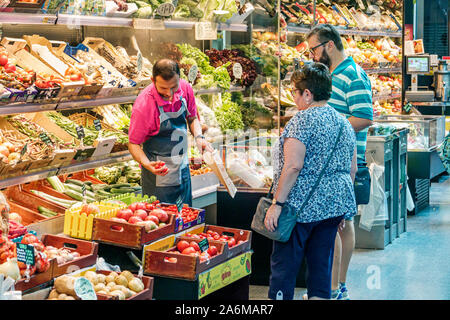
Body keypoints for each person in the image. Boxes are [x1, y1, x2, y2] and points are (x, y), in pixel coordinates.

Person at [264, 62, 357, 300]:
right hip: (334, 205)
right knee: (320, 270)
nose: (294, 98)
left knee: (285, 267)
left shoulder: (301, 121)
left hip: (299, 207)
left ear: (308, 93)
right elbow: (352, 168)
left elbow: (293, 165)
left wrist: (277, 204)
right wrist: (342, 210)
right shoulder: (343, 123)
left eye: (295, 92)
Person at [307, 24, 373, 300]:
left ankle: (339, 286)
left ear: (329, 45)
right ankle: (332, 286)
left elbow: (365, 116)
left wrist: (331, 130)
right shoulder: (332, 75)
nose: (312, 55)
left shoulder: (353, 75)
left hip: (346, 162)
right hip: (331, 161)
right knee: (337, 223)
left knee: (342, 224)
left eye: (314, 49)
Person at [128, 59, 213, 207]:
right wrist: (147, 164)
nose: (169, 94)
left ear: (179, 79)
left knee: (187, 215)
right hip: (158, 174)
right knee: (161, 220)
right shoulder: (143, 105)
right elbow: (133, 144)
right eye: (163, 89)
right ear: (152, 80)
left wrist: (199, 138)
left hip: (182, 168)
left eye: (174, 87)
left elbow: (192, 118)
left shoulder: (186, 89)